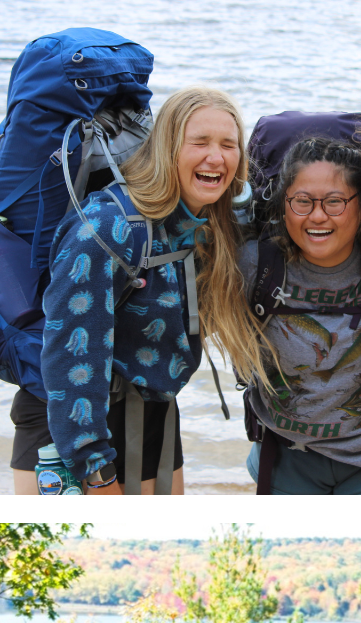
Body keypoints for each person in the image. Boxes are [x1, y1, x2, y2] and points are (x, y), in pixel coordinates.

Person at [20, 86, 251, 495]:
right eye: (199, 142)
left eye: (228, 145)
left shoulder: (204, 224)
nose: (216, 157)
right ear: (167, 148)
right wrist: (94, 468)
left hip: (153, 409)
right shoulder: (110, 227)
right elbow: (71, 353)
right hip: (73, 422)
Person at [230, 136, 361, 494]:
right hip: (285, 454)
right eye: (302, 202)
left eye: (335, 202)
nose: (317, 216)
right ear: (283, 204)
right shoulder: (253, 264)